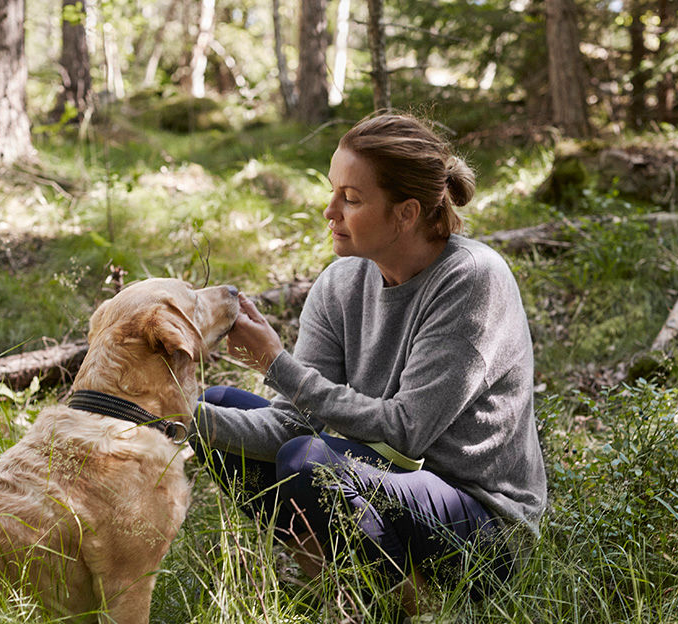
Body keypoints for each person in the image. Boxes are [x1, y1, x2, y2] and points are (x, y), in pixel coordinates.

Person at [193, 112, 547, 616]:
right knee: (217, 408)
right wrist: (173, 412)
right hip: (385, 482)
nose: (329, 210)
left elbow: (407, 431)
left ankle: (413, 606)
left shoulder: (472, 281)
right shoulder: (340, 284)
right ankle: (342, 587)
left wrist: (276, 363)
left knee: (308, 462)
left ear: (406, 214)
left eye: (351, 199)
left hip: (483, 522)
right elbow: (291, 422)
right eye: (332, 190)